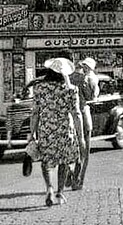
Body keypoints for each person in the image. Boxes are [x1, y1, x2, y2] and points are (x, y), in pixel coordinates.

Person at [28, 57, 85, 206]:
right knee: (64, 162)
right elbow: (77, 114)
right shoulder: (71, 90)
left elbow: (35, 113)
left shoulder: (40, 88)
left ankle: (49, 188)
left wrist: (31, 133)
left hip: (46, 130)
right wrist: (81, 136)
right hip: (65, 130)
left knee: (46, 160)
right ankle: (60, 192)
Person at [69, 56, 100, 189]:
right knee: (84, 151)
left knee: (71, 148)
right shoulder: (88, 79)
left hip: (69, 117)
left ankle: (70, 173)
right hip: (83, 114)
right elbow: (91, 97)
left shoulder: (69, 77)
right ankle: (79, 180)